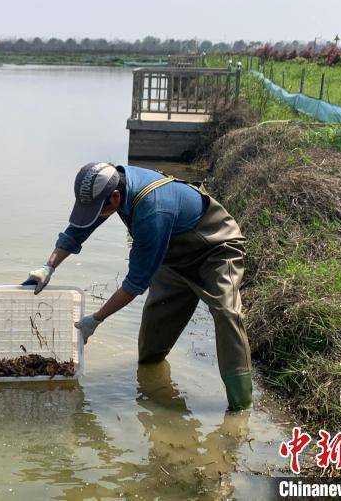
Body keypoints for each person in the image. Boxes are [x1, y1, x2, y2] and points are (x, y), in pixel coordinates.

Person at [26, 162, 253, 410]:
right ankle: (152, 386)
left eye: (97, 210)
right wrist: (49, 267)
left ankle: (241, 406)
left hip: (215, 250)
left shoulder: (152, 210)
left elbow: (135, 284)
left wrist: (95, 319)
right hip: (172, 257)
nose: (95, 216)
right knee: (152, 343)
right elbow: (79, 229)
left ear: (115, 197)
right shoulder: (114, 185)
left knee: (226, 313)